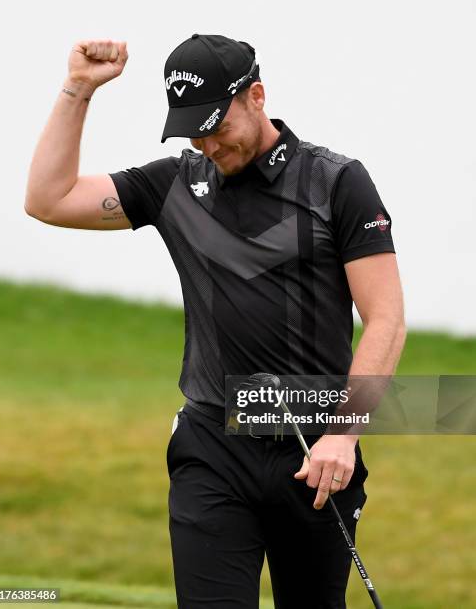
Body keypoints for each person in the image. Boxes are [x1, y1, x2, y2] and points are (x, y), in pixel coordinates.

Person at [25, 34, 406, 609]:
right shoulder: (176, 183)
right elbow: (47, 200)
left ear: (256, 96)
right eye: (191, 129)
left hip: (314, 452)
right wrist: (78, 89)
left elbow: (387, 321)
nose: (205, 142)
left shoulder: (335, 183)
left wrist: (344, 435)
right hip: (211, 448)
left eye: (215, 124)